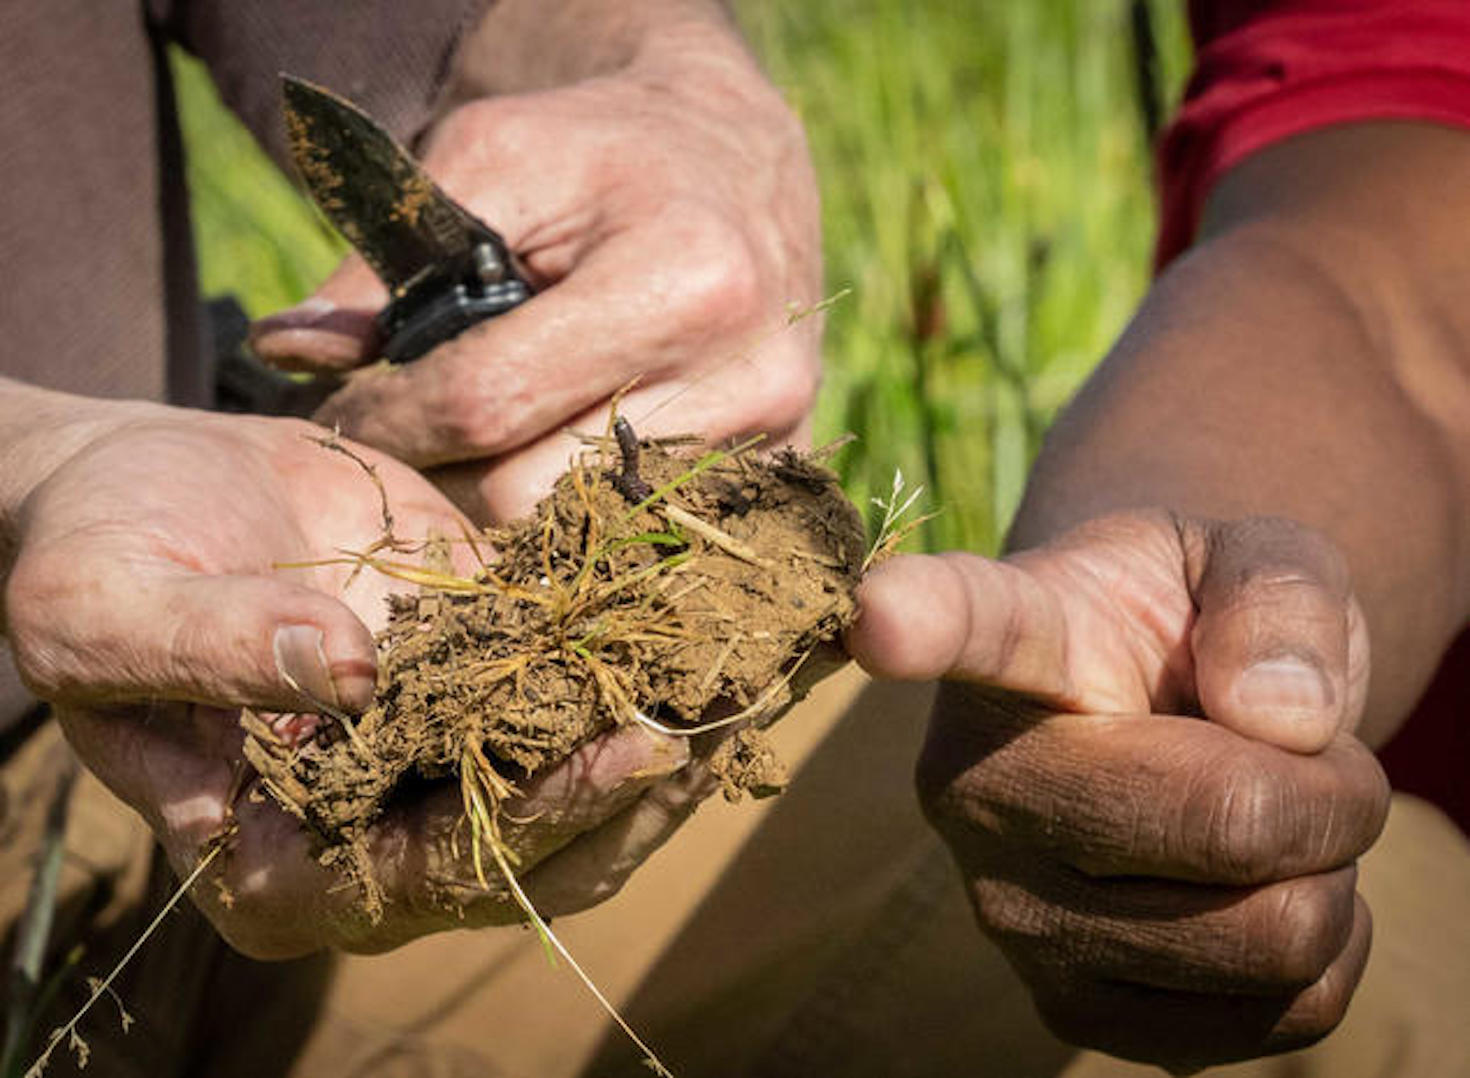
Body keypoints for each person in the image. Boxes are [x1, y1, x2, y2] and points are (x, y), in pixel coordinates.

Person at [0, 3, 1465, 1078]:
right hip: (83, 677)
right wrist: (30, 458)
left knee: (1400, 982)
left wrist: (647, 68)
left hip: (194, 693)